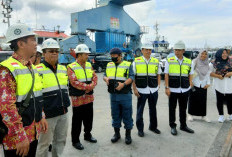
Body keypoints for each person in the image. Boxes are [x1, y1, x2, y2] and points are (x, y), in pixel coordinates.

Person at [0, 23, 47, 157]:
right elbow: (6, 107)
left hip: (32, 132)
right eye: (32, 40)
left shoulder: (30, 67)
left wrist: (41, 116)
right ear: (21, 44)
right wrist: (19, 135)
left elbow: (36, 94)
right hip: (17, 138)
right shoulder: (7, 69)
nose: (36, 43)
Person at [36, 38, 70, 157]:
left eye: (56, 51)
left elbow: (65, 88)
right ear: (44, 53)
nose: (55, 53)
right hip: (48, 116)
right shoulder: (37, 70)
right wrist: (41, 115)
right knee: (44, 144)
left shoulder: (63, 69)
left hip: (63, 112)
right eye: (51, 51)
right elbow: (36, 96)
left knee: (60, 141)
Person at [67, 44, 98, 150]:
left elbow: (94, 76)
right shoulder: (71, 67)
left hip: (89, 97)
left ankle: (87, 135)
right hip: (78, 99)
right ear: (79, 55)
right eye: (85, 54)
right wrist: (88, 87)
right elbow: (74, 82)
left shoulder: (89, 65)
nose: (87, 56)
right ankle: (75, 141)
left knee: (89, 118)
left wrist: (92, 85)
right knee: (77, 120)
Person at [103, 48, 134, 145]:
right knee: (115, 114)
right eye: (111, 56)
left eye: (114, 56)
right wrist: (106, 79)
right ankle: (117, 134)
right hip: (113, 95)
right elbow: (104, 75)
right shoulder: (109, 65)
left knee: (127, 115)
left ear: (120, 56)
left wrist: (123, 84)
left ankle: (128, 135)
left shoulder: (128, 64)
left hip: (125, 95)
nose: (112, 58)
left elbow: (132, 77)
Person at [164, 40, 194, 136]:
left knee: (183, 108)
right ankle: (173, 126)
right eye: (175, 50)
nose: (177, 52)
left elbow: (190, 75)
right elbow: (166, 75)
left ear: (183, 51)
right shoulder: (169, 60)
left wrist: (189, 86)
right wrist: (167, 87)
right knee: (172, 108)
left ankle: (183, 125)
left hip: (184, 89)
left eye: (179, 50)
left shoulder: (189, 61)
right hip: (172, 89)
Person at [132, 45, 161, 137]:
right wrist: (135, 89)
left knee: (153, 109)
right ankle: (140, 129)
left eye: (150, 50)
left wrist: (158, 85)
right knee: (140, 110)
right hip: (141, 90)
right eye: (146, 50)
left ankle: (153, 127)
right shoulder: (136, 61)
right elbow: (133, 77)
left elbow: (159, 74)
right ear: (142, 50)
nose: (148, 51)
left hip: (153, 90)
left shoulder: (156, 61)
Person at [188, 50, 211, 122]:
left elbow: (208, 74)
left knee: (203, 100)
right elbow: (190, 72)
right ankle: (190, 115)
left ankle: (203, 115)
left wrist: (208, 83)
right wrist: (190, 82)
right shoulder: (194, 61)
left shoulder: (207, 64)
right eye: (202, 54)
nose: (203, 55)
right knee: (192, 99)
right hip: (194, 83)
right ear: (199, 54)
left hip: (203, 84)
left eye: (205, 54)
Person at [210, 49, 232, 123]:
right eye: (223, 53)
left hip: (230, 85)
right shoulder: (213, 63)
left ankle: (230, 114)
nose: (225, 54)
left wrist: (230, 73)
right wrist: (218, 76)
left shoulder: (231, 61)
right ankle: (221, 116)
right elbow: (209, 72)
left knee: (230, 101)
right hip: (219, 84)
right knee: (219, 100)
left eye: (226, 53)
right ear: (219, 54)